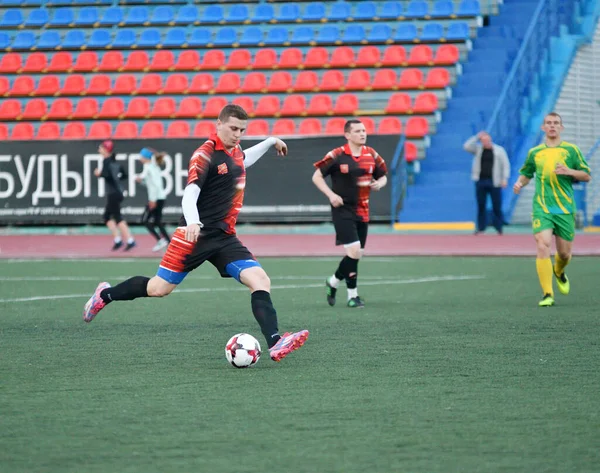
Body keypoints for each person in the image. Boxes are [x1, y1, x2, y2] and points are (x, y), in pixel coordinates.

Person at [83, 104, 309, 362]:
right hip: (194, 236)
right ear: (218, 124)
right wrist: (192, 222)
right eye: (233, 128)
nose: (238, 134)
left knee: (260, 280)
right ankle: (104, 295)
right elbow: (191, 192)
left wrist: (269, 141)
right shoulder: (205, 154)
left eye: (242, 130)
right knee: (158, 289)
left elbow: (243, 160)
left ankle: (276, 342)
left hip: (224, 237)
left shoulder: (234, 151)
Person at [513, 112, 591, 307]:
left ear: (561, 127)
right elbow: (526, 173)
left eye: (556, 123)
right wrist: (519, 183)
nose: (552, 126)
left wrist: (569, 171)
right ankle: (547, 294)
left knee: (564, 254)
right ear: (543, 127)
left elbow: (586, 175)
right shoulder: (535, 153)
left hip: (564, 209)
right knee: (543, 244)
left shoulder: (571, 150)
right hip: (542, 207)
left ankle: (559, 270)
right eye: (549, 123)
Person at [312, 119, 388, 308]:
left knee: (357, 254)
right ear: (347, 135)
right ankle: (352, 296)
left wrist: (380, 183)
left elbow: (383, 175)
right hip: (342, 209)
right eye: (357, 131)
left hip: (363, 209)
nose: (362, 134)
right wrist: (331, 195)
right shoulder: (337, 154)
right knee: (354, 251)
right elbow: (317, 176)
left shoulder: (371, 154)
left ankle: (334, 281)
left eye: (364, 130)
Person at [463, 131, 511, 234]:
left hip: (495, 181)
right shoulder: (478, 149)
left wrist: (504, 179)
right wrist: (476, 137)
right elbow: (466, 146)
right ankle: (481, 227)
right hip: (480, 181)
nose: (485, 142)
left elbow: (505, 165)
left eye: (487, 140)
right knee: (481, 205)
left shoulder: (499, 150)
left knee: (496, 205)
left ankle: (499, 227)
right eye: (483, 140)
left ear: (490, 139)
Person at [94, 140, 136, 251]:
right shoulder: (113, 161)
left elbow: (107, 175)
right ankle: (118, 240)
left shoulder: (107, 161)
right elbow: (123, 175)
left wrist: (99, 174)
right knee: (107, 217)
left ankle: (130, 240)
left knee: (117, 217)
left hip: (113, 193)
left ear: (106, 150)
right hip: (116, 192)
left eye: (101, 147)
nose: (99, 149)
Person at [136, 148, 171, 252]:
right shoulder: (153, 166)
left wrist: (152, 200)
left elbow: (155, 186)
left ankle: (161, 240)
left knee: (145, 220)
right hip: (160, 197)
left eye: (141, 156)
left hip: (155, 198)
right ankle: (168, 242)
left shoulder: (148, 167)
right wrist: (140, 181)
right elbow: (150, 183)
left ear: (145, 157)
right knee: (157, 221)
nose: (140, 158)